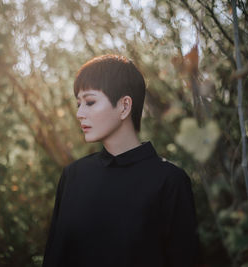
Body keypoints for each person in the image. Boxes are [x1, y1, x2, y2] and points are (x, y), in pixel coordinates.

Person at [42, 55, 198, 267]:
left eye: (90, 102)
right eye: (79, 104)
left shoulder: (169, 181)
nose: (79, 113)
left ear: (124, 106)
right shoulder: (74, 175)